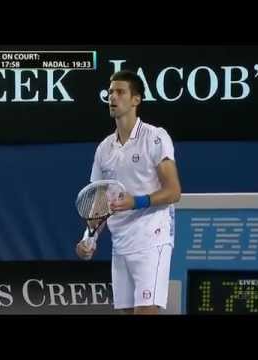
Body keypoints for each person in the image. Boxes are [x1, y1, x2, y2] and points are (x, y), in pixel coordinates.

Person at [76, 70, 181, 315]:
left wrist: (136, 201)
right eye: (111, 92)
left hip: (152, 238)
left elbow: (174, 191)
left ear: (136, 99)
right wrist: (88, 239)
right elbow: (98, 202)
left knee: (145, 310)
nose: (113, 97)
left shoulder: (155, 137)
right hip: (121, 242)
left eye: (120, 92)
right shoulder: (104, 148)